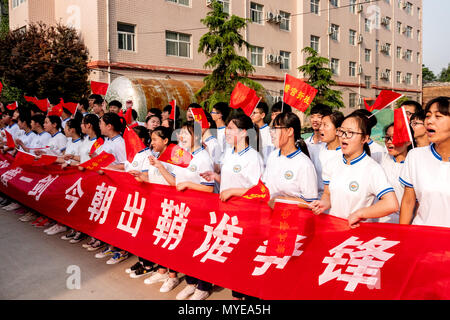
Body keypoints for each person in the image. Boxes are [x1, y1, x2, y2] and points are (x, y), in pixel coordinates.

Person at [310, 111, 399, 228]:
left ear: (364, 138)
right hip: (333, 230)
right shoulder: (332, 163)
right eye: (342, 131)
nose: (343, 137)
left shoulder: (372, 169)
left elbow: (391, 204)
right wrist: (323, 204)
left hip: (356, 235)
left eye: (350, 133)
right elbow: (327, 194)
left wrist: (360, 214)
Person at [399, 96, 450, 227]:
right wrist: (402, 235)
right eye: (428, 116)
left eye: (438, 116)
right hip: (422, 237)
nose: (429, 121)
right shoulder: (415, 156)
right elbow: (408, 201)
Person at [93, 113, 130, 264]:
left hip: (118, 185)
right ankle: (112, 245)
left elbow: (126, 164)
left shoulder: (119, 142)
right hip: (106, 184)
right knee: (108, 217)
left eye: (101, 123)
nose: (99, 126)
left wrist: (108, 167)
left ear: (109, 126)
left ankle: (122, 251)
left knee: (117, 218)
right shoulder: (107, 141)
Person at [262, 112, 318, 207]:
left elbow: (310, 202)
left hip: (291, 218)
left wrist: (280, 201)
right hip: (269, 216)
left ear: (290, 131)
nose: (272, 133)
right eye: (272, 129)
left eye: (276, 129)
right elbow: (265, 187)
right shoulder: (273, 155)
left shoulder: (304, 164)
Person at [377, 122, 412, 224]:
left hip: (400, 224)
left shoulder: (413, 166)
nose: (389, 142)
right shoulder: (380, 158)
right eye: (387, 137)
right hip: (376, 222)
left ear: (408, 141)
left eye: (394, 138)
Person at [309, 111, 344, 199]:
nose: (320, 128)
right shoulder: (318, 149)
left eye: (325, 125)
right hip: (316, 200)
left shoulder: (344, 154)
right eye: (321, 125)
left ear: (338, 130)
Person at [250, 101, 274, 166]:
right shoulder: (249, 131)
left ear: (262, 115)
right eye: (251, 112)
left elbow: (269, 153)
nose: (252, 115)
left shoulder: (269, 132)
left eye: (254, 113)